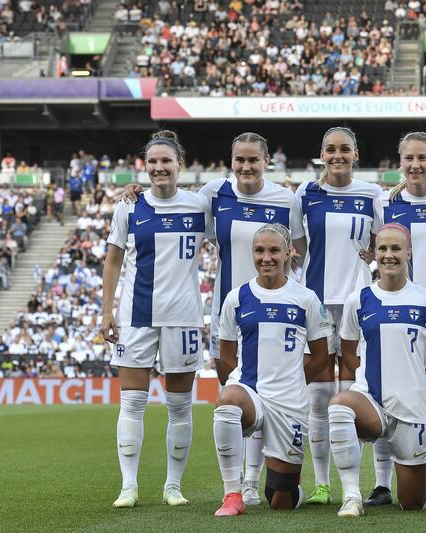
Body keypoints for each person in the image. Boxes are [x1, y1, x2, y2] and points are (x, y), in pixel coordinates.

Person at [121, 132, 302, 507]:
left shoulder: (287, 199)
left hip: (275, 316)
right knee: (237, 400)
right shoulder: (214, 194)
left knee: (271, 397)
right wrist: (136, 192)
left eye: (254, 160)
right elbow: (169, 201)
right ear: (231, 161)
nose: (246, 166)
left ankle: (256, 479)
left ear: (267, 161)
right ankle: (240, 484)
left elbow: (302, 249)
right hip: (228, 315)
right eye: (240, 160)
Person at [101, 130, 212, 508]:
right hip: (135, 316)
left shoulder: (199, 206)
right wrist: (106, 311)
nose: (160, 167)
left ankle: (173, 486)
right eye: (153, 162)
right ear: (145, 167)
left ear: (180, 165)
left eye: (167, 161)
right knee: (131, 402)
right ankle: (128, 486)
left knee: (179, 406)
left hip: (183, 317)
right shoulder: (128, 207)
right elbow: (113, 260)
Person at [365, 131, 426, 506]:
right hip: (395, 315)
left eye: (422, 158)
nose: (415, 165)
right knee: (388, 397)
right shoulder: (385, 203)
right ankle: (381, 484)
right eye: (408, 158)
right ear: (400, 161)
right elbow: (375, 252)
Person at [212, 224, 332, 517]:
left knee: (281, 501)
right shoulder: (237, 297)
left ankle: (289, 479)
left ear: (289, 252)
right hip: (250, 391)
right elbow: (225, 356)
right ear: (252, 253)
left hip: (289, 403)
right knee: (227, 401)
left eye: (274, 250)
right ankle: (233, 493)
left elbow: (321, 356)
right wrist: (240, 388)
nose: (266, 257)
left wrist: (291, 380)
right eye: (260, 250)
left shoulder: (306, 299)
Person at [291, 127, 383, 505]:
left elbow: (387, 239)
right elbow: (298, 246)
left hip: (357, 307)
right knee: (318, 399)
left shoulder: (372, 193)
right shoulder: (305, 193)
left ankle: (360, 487)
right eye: (330, 149)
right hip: (315, 306)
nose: (337, 155)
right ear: (322, 154)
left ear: (355, 154)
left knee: (350, 398)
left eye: (344, 149)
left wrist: (373, 254)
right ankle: (322, 485)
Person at [329, 224, 426, 517]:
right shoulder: (358, 300)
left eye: (396, 248)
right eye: (382, 249)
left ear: (408, 252)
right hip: (372, 401)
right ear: (375, 254)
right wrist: (366, 379)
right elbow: (347, 349)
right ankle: (352, 496)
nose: (389, 255)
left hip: (413, 408)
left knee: (412, 503)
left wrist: (423, 389)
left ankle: (411, 484)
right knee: (339, 406)